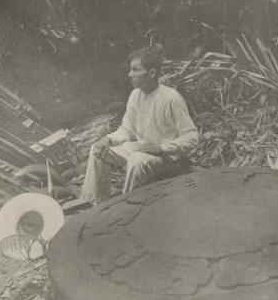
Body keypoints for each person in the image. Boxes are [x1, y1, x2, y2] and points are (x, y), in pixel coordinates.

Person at [80, 46, 199, 205]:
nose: (130, 75)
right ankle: (93, 203)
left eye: (135, 70)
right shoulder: (135, 95)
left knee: (137, 160)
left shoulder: (171, 98)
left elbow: (191, 138)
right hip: (142, 150)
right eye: (131, 70)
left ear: (152, 73)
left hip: (168, 159)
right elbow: (127, 130)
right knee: (98, 149)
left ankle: (125, 208)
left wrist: (162, 148)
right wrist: (108, 139)